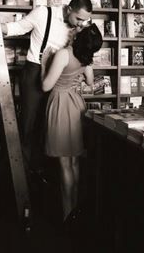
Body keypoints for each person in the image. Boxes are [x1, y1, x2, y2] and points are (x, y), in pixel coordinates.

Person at [0, 0, 93, 172]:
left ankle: (45, 174)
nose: (81, 24)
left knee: (50, 128)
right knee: (28, 125)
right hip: (35, 71)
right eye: (79, 19)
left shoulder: (79, 27)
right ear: (69, 9)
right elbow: (18, 27)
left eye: (84, 20)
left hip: (59, 76)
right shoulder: (43, 13)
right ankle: (25, 177)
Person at [42, 24, 103, 222]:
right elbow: (90, 82)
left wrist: (44, 63)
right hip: (76, 103)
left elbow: (45, 86)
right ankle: (75, 209)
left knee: (64, 162)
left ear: (79, 38)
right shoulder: (86, 57)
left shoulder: (62, 54)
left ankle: (67, 213)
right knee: (75, 160)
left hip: (60, 103)